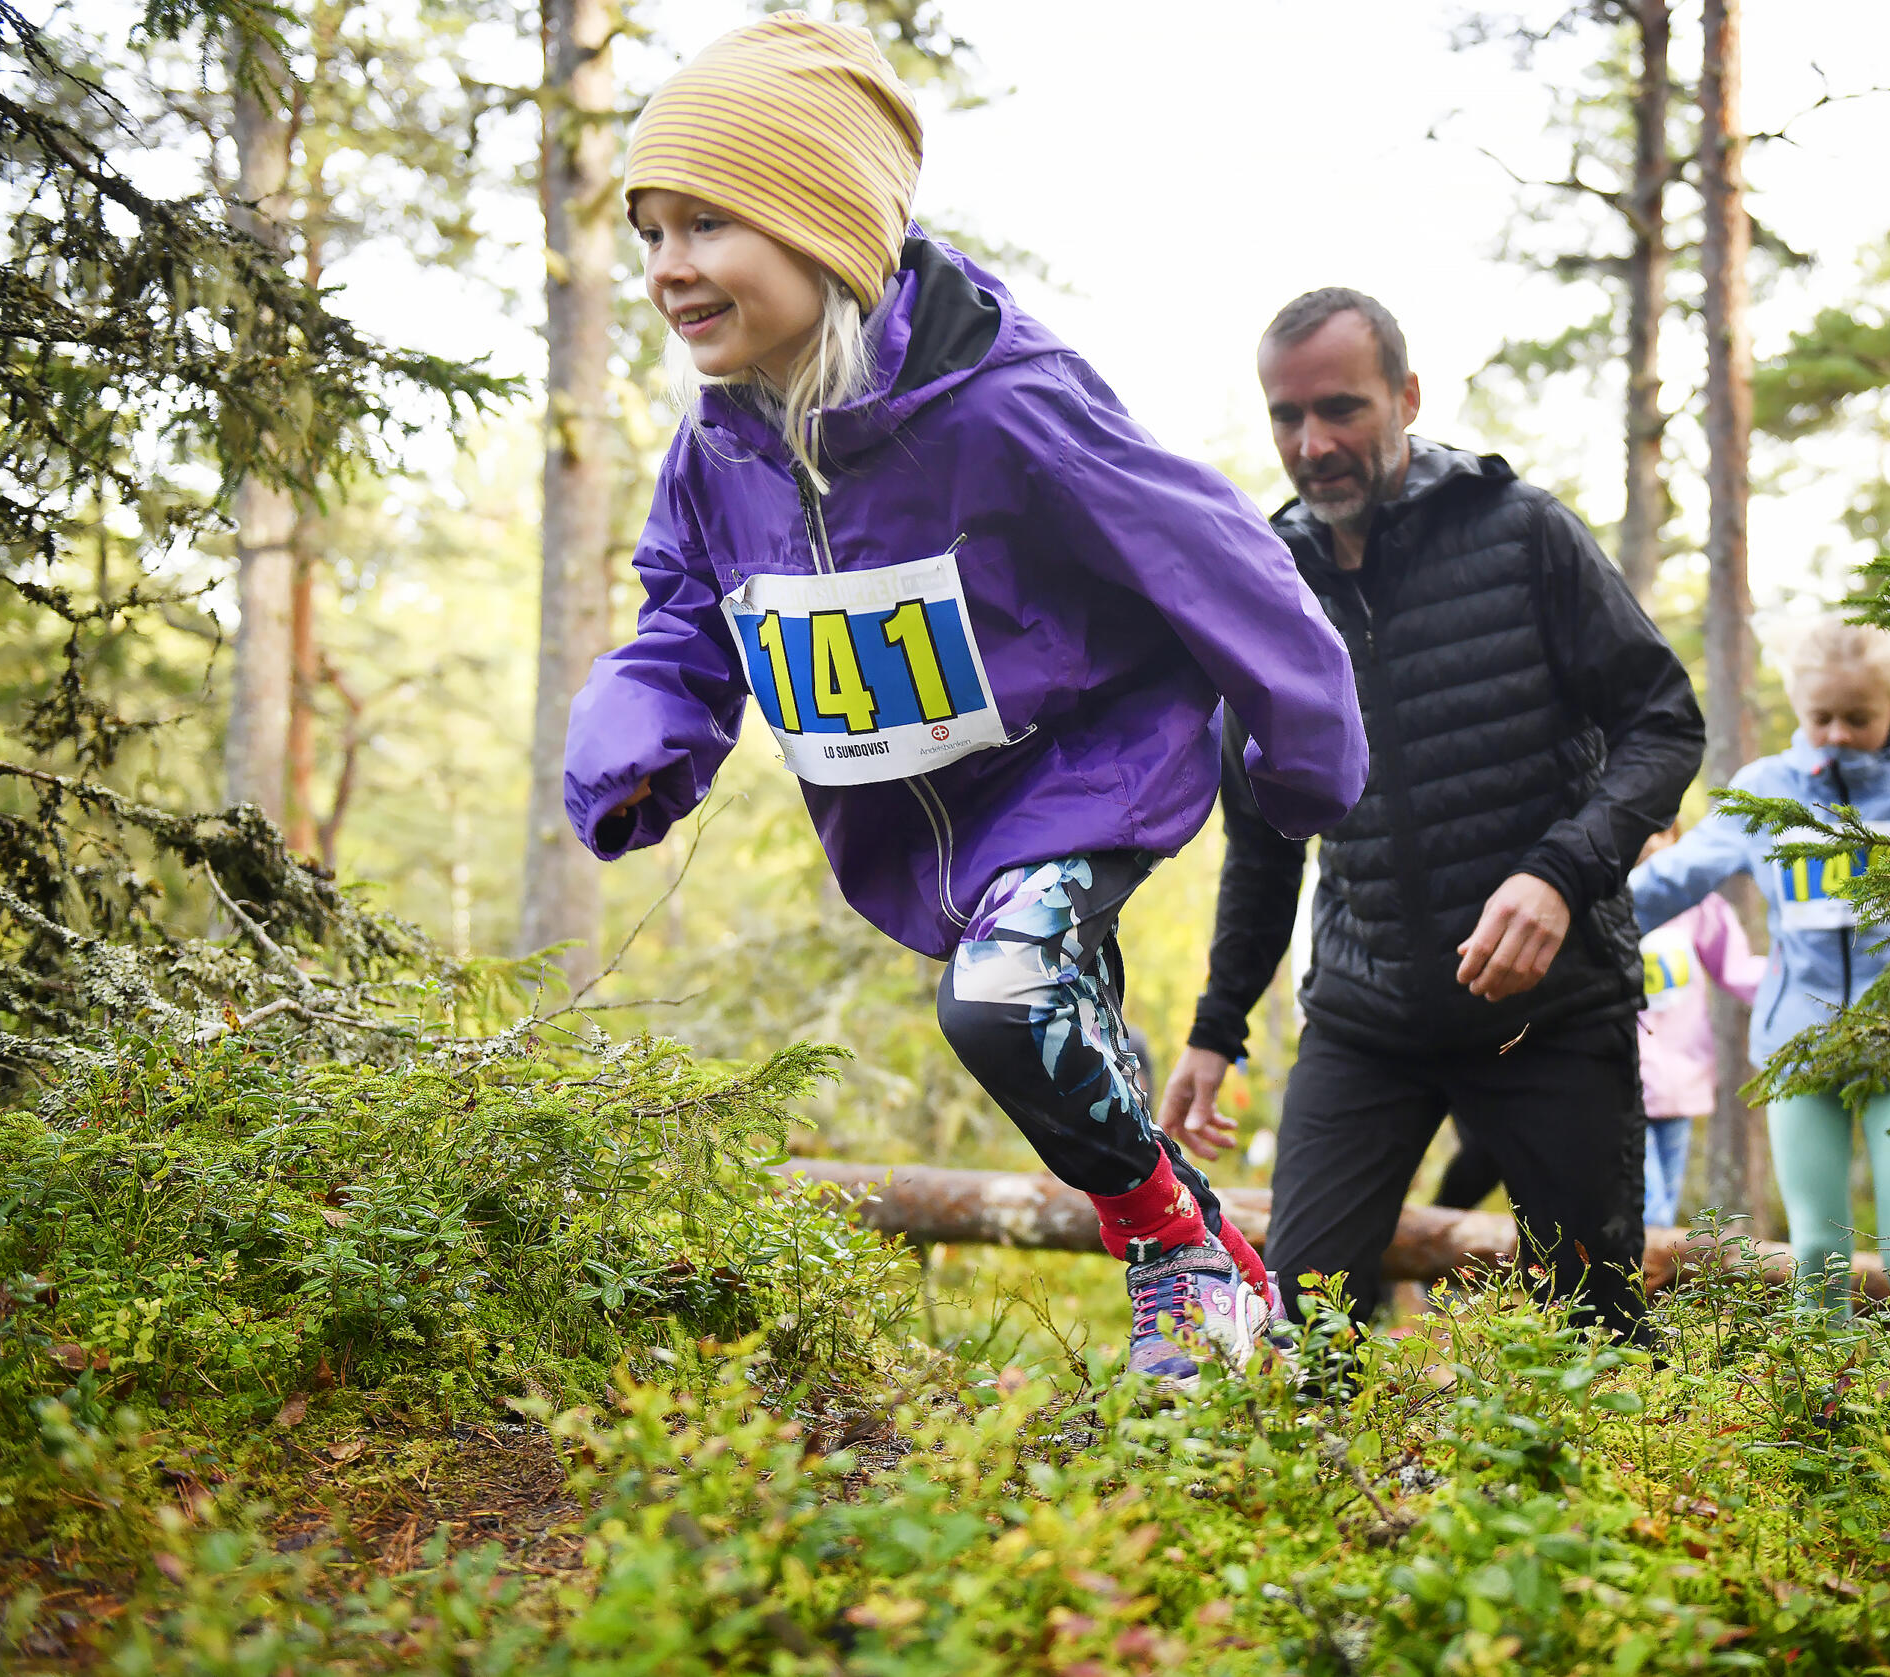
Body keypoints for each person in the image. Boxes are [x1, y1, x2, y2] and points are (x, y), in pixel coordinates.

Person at [562, 17, 1368, 1390]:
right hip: (925, 833)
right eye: (649, 232)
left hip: (1084, 771)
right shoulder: (720, 445)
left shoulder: (1003, 400)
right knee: (1051, 1030)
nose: (667, 269)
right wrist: (641, 743)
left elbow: (1218, 555)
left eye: (706, 223)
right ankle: (1232, 1301)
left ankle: (1175, 1250)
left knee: (1003, 999)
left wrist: (1300, 762)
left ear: (819, 229)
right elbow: (685, 610)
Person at [1157, 288, 1706, 1338]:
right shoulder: (1268, 586)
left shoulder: (1524, 536)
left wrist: (1559, 872)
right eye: (1286, 416)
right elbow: (1265, 840)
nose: (1311, 445)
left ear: (1405, 398)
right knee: (1302, 1326)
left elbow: (1664, 724)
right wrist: (1215, 1031)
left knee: (1594, 1330)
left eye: (1341, 410)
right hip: (1366, 1023)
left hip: (1548, 1015)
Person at [1628, 617, 1890, 1305]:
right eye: (1822, 717)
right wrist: (1583, 917)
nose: (1838, 732)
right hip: (1799, 1051)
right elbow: (1673, 878)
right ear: (1798, 706)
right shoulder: (1768, 791)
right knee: (1817, 1249)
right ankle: (1823, 1399)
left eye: (1858, 717)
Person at [1433, 823, 1764, 1230]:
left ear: (1677, 839)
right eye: (1642, 833)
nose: (1651, 843)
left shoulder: (1701, 909)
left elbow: (1739, 970)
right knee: (1648, 1211)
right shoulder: (1595, 905)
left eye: (1662, 833)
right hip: (1621, 1078)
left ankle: (1645, 1289)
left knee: (1662, 1211)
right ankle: (1631, 1286)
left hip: (1680, 1087)